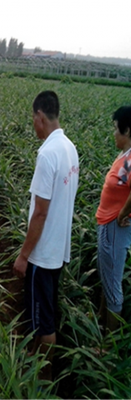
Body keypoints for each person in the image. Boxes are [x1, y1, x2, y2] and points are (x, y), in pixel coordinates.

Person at [13, 90, 79, 380]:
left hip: (42, 254)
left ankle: (41, 381)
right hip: (58, 250)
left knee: (44, 323)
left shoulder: (47, 154)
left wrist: (24, 255)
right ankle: (35, 362)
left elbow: (40, 212)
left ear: (40, 116)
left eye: (33, 119)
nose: (33, 124)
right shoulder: (69, 148)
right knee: (46, 312)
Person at [96, 106, 131, 332]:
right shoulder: (125, 154)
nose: (114, 134)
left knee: (112, 283)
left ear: (127, 130)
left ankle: (109, 345)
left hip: (114, 227)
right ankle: (100, 321)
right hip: (108, 225)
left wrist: (122, 213)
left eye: (116, 129)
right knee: (107, 275)